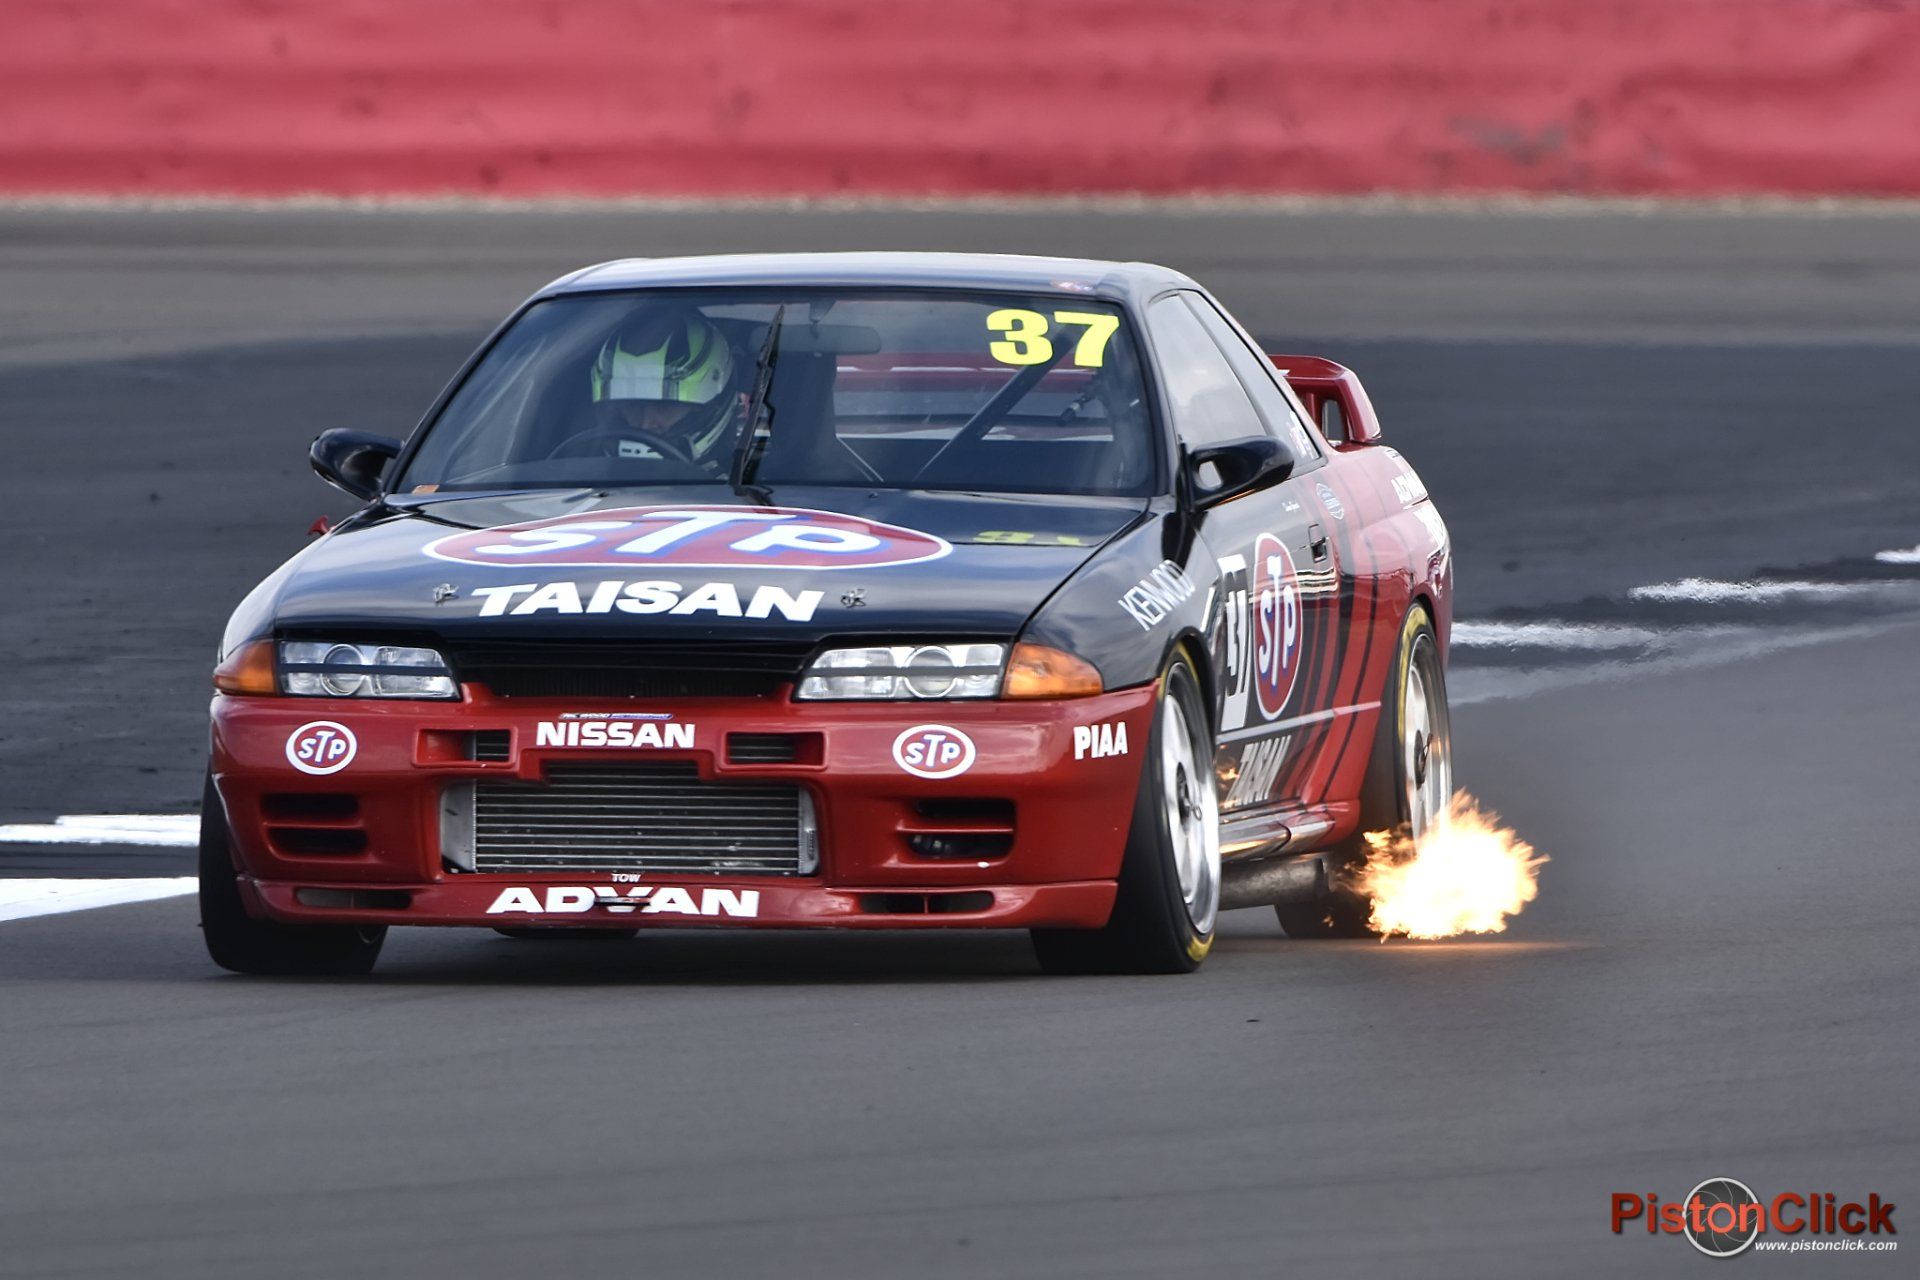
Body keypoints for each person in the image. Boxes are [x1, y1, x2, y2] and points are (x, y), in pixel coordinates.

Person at [586, 305, 741, 463]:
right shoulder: (573, 471)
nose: (646, 424)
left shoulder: (745, 480)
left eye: (664, 406)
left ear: (706, 408)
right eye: (633, 405)